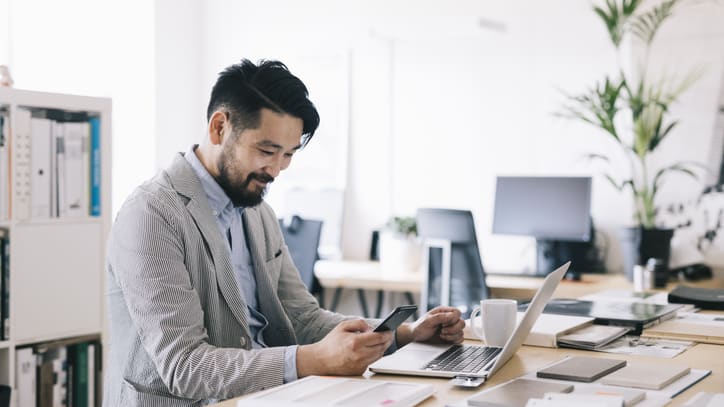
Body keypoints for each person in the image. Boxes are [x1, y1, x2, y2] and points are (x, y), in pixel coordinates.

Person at [104, 58, 465, 406]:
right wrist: (311, 360)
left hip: (269, 397)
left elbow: (302, 318)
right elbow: (185, 367)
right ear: (219, 127)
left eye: (288, 154)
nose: (276, 170)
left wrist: (404, 334)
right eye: (267, 150)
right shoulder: (151, 215)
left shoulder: (257, 212)